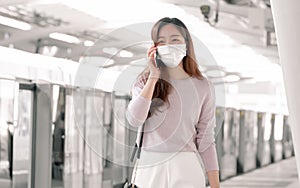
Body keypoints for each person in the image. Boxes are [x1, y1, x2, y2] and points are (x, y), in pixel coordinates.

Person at [126, 17, 220, 188]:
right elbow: (134, 119)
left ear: (186, 44)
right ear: (154, 49)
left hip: (186, 167)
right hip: (150, 166)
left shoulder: (203, 86)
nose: (168, 45)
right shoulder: (144, 82)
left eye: (174, 40)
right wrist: (154, 76)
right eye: (161, 42)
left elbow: (206, 140)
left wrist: (215, 185)